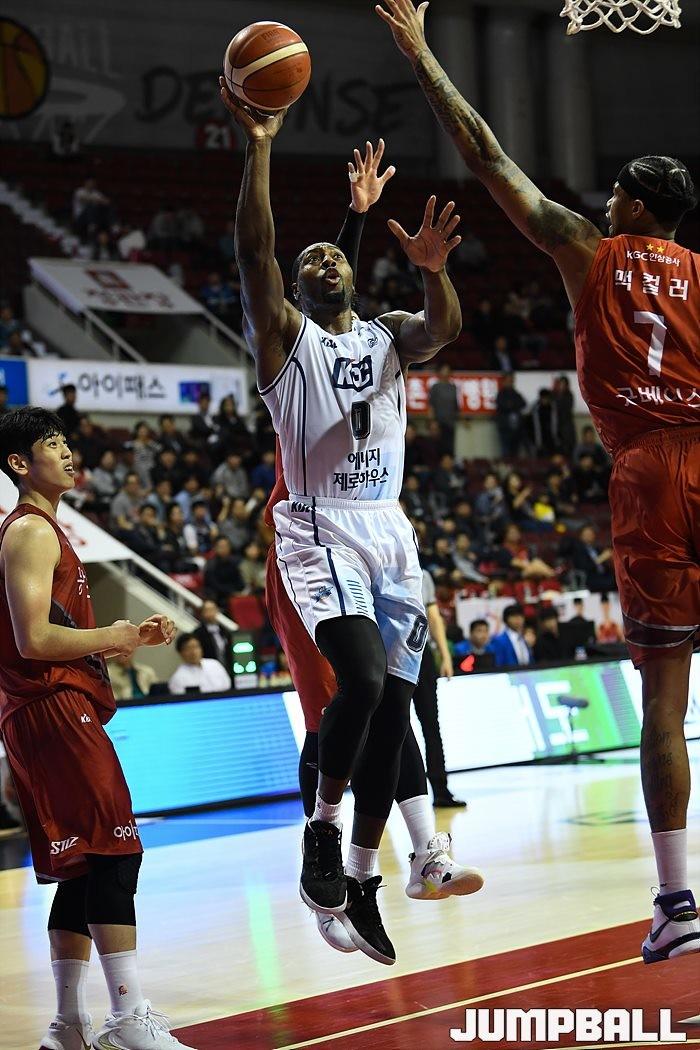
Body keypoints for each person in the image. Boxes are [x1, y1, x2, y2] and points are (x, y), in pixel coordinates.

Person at [379, 0, 700, 963]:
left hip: (649, 469)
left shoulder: (587, 248)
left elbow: (486, 154)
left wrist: (423, 53)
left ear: (632, 207)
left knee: (665, 706)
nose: (605, 205)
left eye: (615, 195)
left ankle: (678, 904)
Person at [224, 74, 464, 967]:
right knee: (358, 682)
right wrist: (260, 143)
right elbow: (255, 251)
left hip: (390, 527)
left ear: (355, 271)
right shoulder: (287, 342)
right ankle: (322, 833)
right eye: (309, 259)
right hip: (320, 524)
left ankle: (367, 874)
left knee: (396, 705)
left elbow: (444, 329)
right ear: (291, 290)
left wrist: (434, 273)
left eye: (337, 252)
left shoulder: (387, 332)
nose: (324, 259)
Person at [0, 407, 193, 1050]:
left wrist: (124, 637)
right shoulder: (32, 532)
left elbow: (53, 634)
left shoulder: (44, 530)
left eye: (67, 442)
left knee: (83, 865)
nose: (68, 453)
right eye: (52, 444)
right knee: (115, 850)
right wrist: (112, 634)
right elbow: (33, 639)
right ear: (19, 463)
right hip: (52, 706)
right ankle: (128, 1017)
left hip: (42, 707)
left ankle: (68, 1027)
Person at [414, 568, 465, 807]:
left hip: (420, 653)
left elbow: (433, 616)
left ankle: (441, 790)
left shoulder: (422, 574)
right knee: (394, 729)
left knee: (431, 725)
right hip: (388, 654)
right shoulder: (377, 563)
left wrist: (445, 656)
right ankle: (397, 796)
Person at [192, 598, 233, 678]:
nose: (210, 613)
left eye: (212, 609)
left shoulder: (224, 631)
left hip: (226, 671)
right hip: (208, 672)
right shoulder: (198, 634)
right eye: (207, 610)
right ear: (202, 613)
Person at [428, 362, 459, 456]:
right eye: (443, 370)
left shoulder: (453, 387)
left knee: (449, 448)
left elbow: (456, 405)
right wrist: (432, 422)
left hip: (450, 423)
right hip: (438, 423)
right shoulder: (435, 387)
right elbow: (431, 405)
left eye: (447, 370)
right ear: (439, 372)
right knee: (437, 449)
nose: (445, 372)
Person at [495, 373, 526, 458]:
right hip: (505, 427)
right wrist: (513, 405)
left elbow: (523, 403)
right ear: (504, 382)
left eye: (512, 381)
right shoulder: (501, 394)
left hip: (517, 427)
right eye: (508, 381)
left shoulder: (516, 393)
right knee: (506, 450)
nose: (510, 383)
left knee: (515, 451)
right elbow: (504, 405)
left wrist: (512, 405)